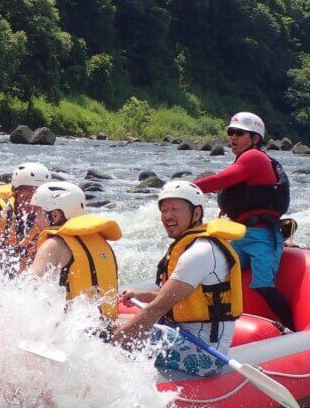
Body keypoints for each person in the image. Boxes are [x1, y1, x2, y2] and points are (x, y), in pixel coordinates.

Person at [114, 181, 246, 377]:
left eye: (175, 209)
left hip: (205, 354)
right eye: (164, 210)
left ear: (197, 214)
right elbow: (174, 297)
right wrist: (140, 295)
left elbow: (159, 308)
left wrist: (118, 337)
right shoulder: (191, 247)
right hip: (182, 334)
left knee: (108, 334)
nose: (168, 216)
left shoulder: (201, 252)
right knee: (108, 323)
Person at [193, 112, 295, 330]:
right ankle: (205, 321)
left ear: (255, 139)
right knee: (214, 274)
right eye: (231, 132)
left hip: (261, 236)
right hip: (239, 235)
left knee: (263, 286)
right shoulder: (243, 160)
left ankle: (294, 330)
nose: (233, 137)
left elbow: (221, 180)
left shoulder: (254, 157)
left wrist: (187, 188)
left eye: (239, 133)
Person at [28, 181, 121, 320]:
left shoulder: (53, 244)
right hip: (105, 326)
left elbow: (30, 288)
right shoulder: (100, 241)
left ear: (55, 216)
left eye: (38, 213)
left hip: (74, 332)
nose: (35, 219)